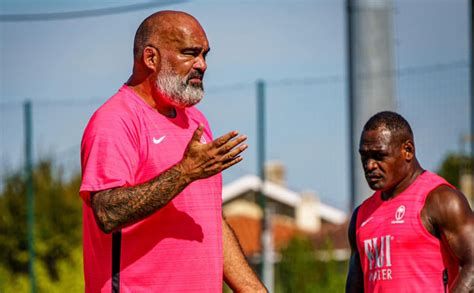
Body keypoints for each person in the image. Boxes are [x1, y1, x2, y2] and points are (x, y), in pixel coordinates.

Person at [79, 10, 266, 292]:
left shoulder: (197, 122)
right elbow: (107, 212)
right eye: (190, 53)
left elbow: (209, 221)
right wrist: (184, 173)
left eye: (204, 55)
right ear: (151, 58)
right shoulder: (115, 120)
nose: (201, 64)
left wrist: (253, 290)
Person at [346, 111, 474, 292]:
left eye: (379, 155)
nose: (370, 165)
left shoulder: (440, 200)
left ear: (407, 150)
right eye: (364, 157)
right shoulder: (360, 217)